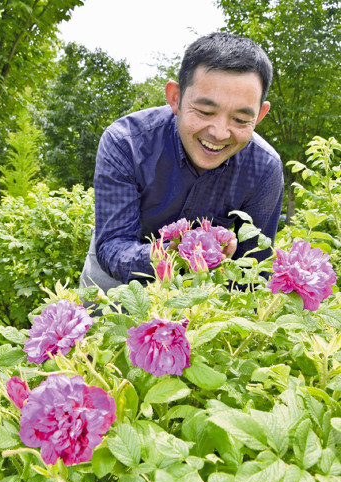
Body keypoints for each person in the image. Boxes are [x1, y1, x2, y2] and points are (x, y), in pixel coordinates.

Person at [80, 31, 284, 292]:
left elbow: (254, 269)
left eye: (241, 119)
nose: (220, 133)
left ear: (260, 114)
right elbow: (113, 246)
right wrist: (176, 254)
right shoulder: (126, 142)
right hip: (117, 277)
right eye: (205, 111)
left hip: (200, 286)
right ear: (175, 97)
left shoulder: (264, 168)